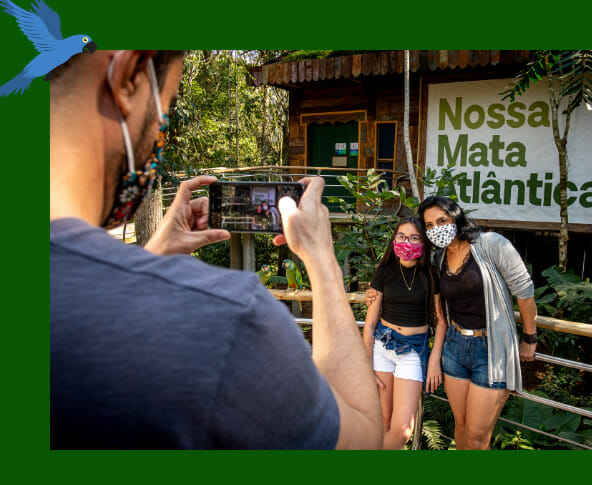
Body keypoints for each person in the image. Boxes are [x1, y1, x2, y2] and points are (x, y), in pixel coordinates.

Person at [50, 50, 382, 449]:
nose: (162, 130)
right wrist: (323, 259)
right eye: (166, 110)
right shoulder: (229, 322)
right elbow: (363, 439)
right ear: (130, 73)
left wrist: (150, 257)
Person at [366, 196, 538, 450]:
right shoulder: (439, 259)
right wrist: (372, 294)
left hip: (490, 349)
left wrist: (530, 338)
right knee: (461, 428)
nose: (437, 228)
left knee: (478, 437)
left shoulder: (491, 244)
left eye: (442, 221)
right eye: (430, 225)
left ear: (456, 218)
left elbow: (524, 290)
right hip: (455, 346)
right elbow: (433, 306)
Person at [362, 216, 447, 449]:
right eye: (401, 236)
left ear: (423, 243)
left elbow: (441, 322)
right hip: (382, 346)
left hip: (413, 351)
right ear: (394, 239)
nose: (406, 241)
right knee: (383, 422)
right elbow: (370, 325)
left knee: (401, 432)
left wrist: (434, 360)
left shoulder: (431, 276)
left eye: (413, 237)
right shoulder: (384, 271)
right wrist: (364, 365)